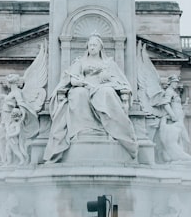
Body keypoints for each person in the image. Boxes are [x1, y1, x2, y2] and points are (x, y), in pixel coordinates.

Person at [45, 34, 138, 162]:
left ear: (100, 47)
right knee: (78, 94)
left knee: (107, 93)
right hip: (84, 86)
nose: (92, 47)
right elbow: (72, 78)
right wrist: (79, 82)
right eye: (90, 45)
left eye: (95, 45)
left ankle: (112, 129)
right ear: (87, 47)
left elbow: (118, 79)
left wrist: (107, 78)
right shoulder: (80, 62)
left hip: (102, 86)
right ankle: (83, 130)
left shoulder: (108, 63)